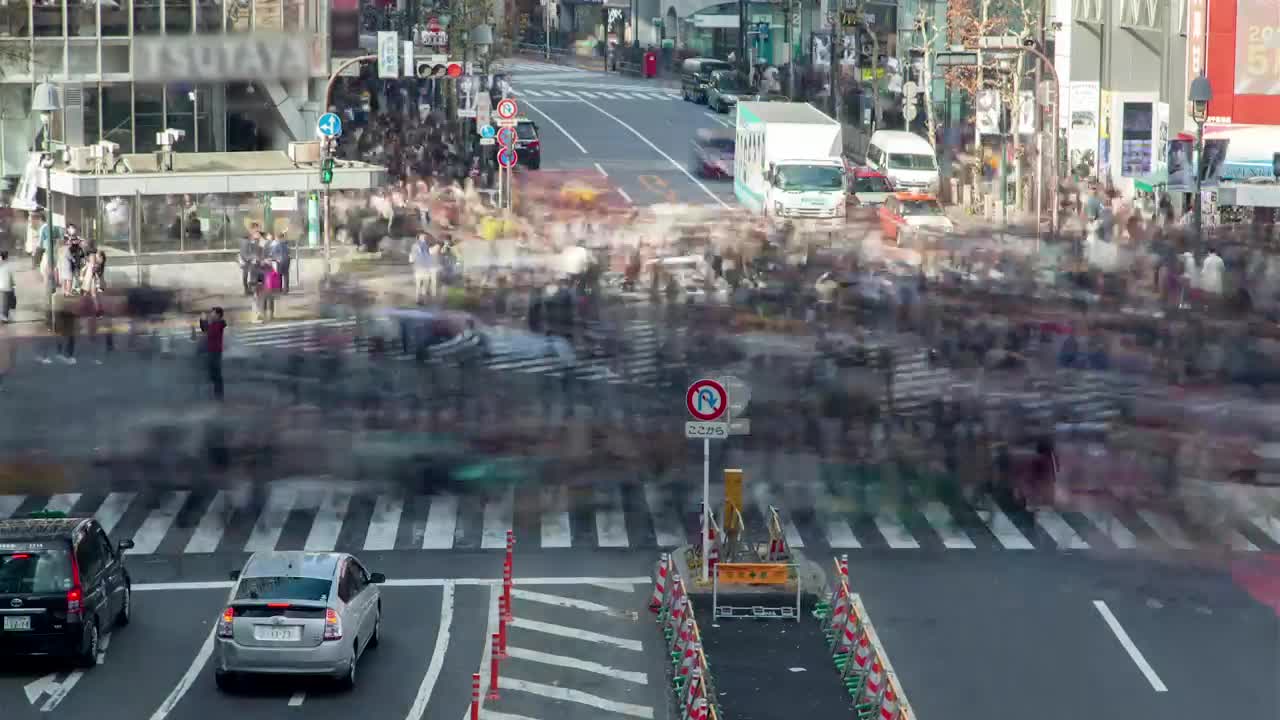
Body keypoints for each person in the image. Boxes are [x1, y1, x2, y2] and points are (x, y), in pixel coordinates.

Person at [199, 307, 226, 401]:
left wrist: (205, 321)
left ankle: (219, 396)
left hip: (215, 351)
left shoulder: (219, 324)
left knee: (216, 374)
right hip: (211, 351)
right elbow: (205, 330)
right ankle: (216, 394)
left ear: (218, 315)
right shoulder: (214, 323)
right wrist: (202, 321)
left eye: (213, 313)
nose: (211, 314)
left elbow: (209, 333)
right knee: (212, 373)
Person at [239, 223, 263, 296]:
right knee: (246, 275)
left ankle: (252, 290)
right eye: (256, 230)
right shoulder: (246, 240)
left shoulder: (257, 239)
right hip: (246, 260)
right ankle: (247, 290)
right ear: (251, 230)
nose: (258, 231)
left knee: (254, 275)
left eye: (258, 230)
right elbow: (244, 252)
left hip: (253, 261)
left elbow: (260, 249)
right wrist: (253, 257)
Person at [0, 250, 14, 322]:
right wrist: (13, 285)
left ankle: (4, 316)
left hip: (3, 286)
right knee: (5, 303)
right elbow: (11, 276)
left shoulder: (4, 264)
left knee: (4, 303)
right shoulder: (8, 264)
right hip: (6, 286)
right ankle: (4, 317)